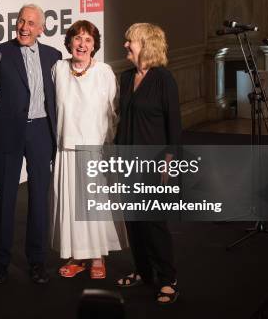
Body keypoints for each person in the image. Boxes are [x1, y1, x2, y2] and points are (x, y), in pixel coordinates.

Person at [0, 4, 62, 284]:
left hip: (40, 134)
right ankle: (0, 264)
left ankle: (37, 262)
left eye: (30, 23)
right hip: (9, 132)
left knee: (39, 200)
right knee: (5, 200)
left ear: (41, 28)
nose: (24, 27)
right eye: (21, 21)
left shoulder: (53, 56)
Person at [50, 20, 127, 280]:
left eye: (88, 40)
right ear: (69, 41)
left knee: (94, 206)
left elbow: (114, 112)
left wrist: (107, 146)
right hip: (66, 148)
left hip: (94, 149)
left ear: (94, 46)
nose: (82, 44)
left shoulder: (104, 72)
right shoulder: (58, 69)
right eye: (77, 38)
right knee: (71, 207)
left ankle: (97, 256)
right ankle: (77, 256)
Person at [114, 23, 181, 304]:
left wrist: (169, 163)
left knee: (153, 223)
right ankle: (143, 271)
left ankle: (168, 279)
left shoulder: (163, 79)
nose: (126, 45)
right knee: (134, 223)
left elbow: (174, 126)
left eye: (131, 41)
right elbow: (121, 120)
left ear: (147, 45)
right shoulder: (127, 77)